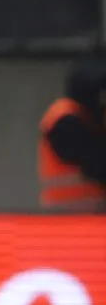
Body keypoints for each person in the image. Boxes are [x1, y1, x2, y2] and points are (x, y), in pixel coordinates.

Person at [38, 60, 106, 211]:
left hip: (89, 218)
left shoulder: (86, 118)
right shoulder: (66, 120)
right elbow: (96, 163)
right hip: (68, 220)